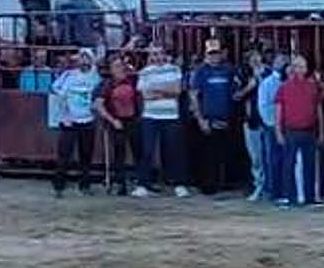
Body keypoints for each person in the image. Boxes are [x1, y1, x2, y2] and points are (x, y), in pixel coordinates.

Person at [134, 46, 191, 199]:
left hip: (171, 116)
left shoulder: (174, 69)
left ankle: (179, 184)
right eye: (154, 54)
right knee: (147, 151)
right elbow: (145, 95)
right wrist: (165, 91)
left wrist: (156, 90)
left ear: (165, 55)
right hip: (150, 116)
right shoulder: (144, 72)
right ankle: (142, 184)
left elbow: (177, 91)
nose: (157, 56)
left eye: (160, 53)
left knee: (174, 151)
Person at [274, 54, 324, 207]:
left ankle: (310, 197)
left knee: (310, 165)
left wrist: (321, 132)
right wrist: (278, 131)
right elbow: (279, 111)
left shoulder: (313, 86)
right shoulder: (284, 87)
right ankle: (291, 197)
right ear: (292, 68)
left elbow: (318, 110)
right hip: (291, 130)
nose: (300, 69)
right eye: (297, 66)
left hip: (309, 130)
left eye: (303, 66)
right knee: (289, 164)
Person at [50, 49, 101, 198]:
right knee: (64, 154)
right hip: (69, 120)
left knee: (86, 154)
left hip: (87, 119)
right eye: (82, 58)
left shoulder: (95, 77)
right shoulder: (69, 75)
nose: (84, 61)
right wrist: (63, 111)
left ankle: (84, 184)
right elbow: (55, 89)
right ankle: (59, 186)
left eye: (87, 58)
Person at [190, 38, 235, 195]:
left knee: (224, 153)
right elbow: (194, 96)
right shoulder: (201, 71)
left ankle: (224, 183)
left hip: (226, 118)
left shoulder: (228, 69)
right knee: (208, 155)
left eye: (216, 53)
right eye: (211, 54)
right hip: (208, 119)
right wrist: (200, 119)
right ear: (206, 54)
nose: (214, 57)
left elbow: (234, 93)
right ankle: (208, 186)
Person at [95, 56, 141, 196]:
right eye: (116, 66)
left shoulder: (132, 81)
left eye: (121, 66)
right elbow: (99, 105)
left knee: (138, 151)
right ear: (111, 69)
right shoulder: (107, 84)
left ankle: (142, 182)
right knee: (119, 153)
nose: (120, 69)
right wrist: (112, 120)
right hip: (116, 121)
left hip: (132, 119)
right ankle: (121, 183)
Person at [235, 49, 267, 202]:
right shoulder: (242, 74)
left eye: (257, 57)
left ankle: (270, 187)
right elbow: (235, 96)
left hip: (268, 121)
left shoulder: (270, 73)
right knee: (255, 157)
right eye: (251, 58)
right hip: (251, 120)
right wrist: (250, 86)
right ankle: (258, 185)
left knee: (270, 156)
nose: (255, 60)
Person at [258, 53, 287, 202]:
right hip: (273, 126)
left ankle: (286, 190)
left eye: (285, 61)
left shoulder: (289, 81)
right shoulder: (268, 83)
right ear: (274, 63)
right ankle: (274, 192)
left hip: (290, 126)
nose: (284, 63)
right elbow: (263, 106)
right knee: (274, 159)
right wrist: (273, 124)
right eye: (281, 60)